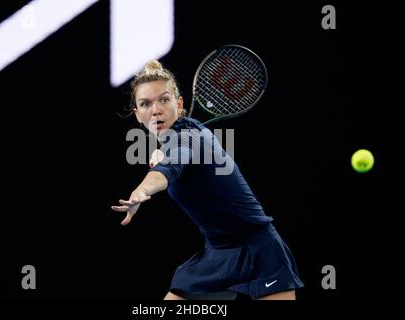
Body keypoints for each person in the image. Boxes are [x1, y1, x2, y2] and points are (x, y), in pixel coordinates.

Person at [111, 60, 304, 300]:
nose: (156, 109)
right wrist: (162, 157)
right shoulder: (172, 143)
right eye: (145, 104)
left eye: (164, 99)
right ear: (138, 115)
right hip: (217, 254)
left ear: (179, 104)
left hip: (258, 250)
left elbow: (168, 169)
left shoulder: (190, 136)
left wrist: (140, 191)